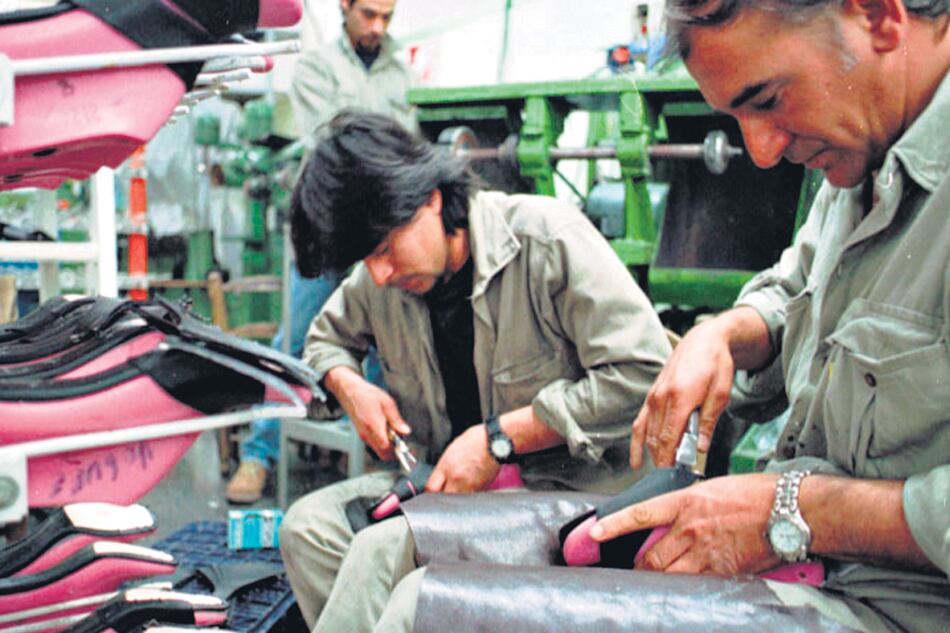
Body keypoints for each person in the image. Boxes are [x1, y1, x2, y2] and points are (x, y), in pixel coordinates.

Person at [370, 1, 950, 631]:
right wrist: (726, 333)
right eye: (737, 115)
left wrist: (792, 508)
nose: (760, 151)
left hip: (883, 604)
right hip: (802, 564)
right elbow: (798, 290)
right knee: (395, 553)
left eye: (769, 99)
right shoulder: (860, 154)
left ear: (880, 16)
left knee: (419, 612)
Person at [278, 109, 672, 631]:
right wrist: (348, 384)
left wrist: (500, 440)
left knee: (385, 549)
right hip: (451, 490)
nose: (379, 274)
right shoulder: (382, 279)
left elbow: (645, 374)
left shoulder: (546, 240)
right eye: (363, 262)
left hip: (568, 497)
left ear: (430, 199)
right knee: (307, 529)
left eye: (382, 251)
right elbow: (324, 339)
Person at [225, 0, 416, 503]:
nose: (378, 27)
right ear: (344, 8)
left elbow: (409, 144)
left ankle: (378, 463)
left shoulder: (402, 68)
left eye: (387, 17)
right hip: (330, 224)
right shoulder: (316, 67)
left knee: (383, 344)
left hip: (380, 225)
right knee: (298, 339)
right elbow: (335, 144)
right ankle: (258, 456)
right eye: (369, 14)